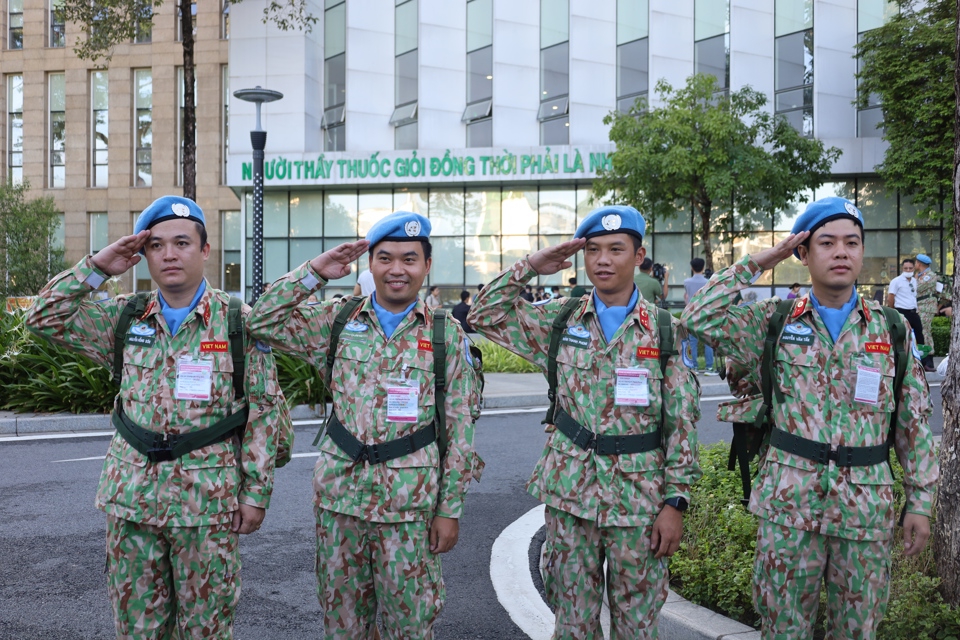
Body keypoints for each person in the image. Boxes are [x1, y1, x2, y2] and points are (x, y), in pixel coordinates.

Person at [26, 196, 290, 639]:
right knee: (137, 629)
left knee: (206, 628)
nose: (169, 254)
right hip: (131, 502)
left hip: (207, 506)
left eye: (182, 243)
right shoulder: (125, 317)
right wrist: (99, 266)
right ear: (143, 254)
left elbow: (263, 410)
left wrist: (255, 494)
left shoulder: (238, 322)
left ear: (205, 251)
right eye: (157, 245)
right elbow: (43, 317)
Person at [683, 196, 938, 639]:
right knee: (784, 630)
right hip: (788, 509)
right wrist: (765, 258)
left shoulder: (892, 329)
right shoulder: (774, 322)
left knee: (857, 631)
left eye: (852, 242)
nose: (841, 252)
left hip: (864, 513)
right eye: (827, 242)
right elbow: (697, 316)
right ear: (803, 253)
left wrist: (919, 501)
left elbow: (913, 424)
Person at [247, 210, 484, 639]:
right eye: (386, 258)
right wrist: (315, 273)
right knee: (343, 625)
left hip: (410, 508)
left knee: (409, 626)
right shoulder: (337, 322)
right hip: (341, 504)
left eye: (409, 259)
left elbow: (461, 428)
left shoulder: (447, 336)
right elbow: (260, 320)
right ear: (370, 264)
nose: (397, 270)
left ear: (427, 266)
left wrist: (449, 510)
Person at [468, 205, 701, 639]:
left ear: (639, 254)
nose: (603, 260)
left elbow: (681, 424)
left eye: (616, 249)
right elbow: (483, 314)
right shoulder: (560, 320)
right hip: (571, 492)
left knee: (637, 623)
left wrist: (676, 503)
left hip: (641, 500)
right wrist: (533, 265)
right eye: (593, 250)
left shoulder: (665, 332)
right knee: (572, 622)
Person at [682, 258, 716, 375]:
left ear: (692, 267)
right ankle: (709, 367)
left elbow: (687, 297)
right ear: (703, 267)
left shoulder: (687, 282)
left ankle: (694, 367)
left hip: (692, 314)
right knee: (708, 341)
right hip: (705, 314)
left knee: (692, 342)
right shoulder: (708, 281)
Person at [886, 258, 926, 350]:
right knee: (902, 336)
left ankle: (921, 360)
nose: (908, 270)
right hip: (901, 311)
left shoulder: (914, 281)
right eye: (906, 268)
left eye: (910, 268)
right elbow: (890, 298)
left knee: (919, 336)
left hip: (913, 312)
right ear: (902, 269)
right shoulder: (896, 281)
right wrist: (894, 310)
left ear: (913, 269)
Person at [914, 254, 944, 372]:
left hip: (926, 308)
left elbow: (917, 288)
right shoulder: (921, 275)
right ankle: (923, 359)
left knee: (925, 332)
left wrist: (915, 279)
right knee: (922, 332)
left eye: (916, 262)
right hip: (920, 307)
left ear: (919, 264)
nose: (915, 264)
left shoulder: (929, 276)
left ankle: (928, 361)